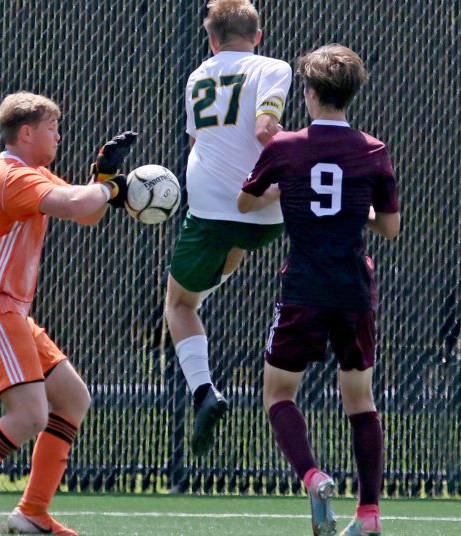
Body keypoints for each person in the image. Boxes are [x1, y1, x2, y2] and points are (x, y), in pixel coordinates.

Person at [0, 92, 137, 535]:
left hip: (10, 308)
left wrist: (105, 177)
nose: (59, 134)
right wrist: (112, 186)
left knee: (72, 398)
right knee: (30, 415)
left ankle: (32, 512)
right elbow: (77, 204)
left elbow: (85, 213)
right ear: (27, 132)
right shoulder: (11, 174)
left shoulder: (32, 172)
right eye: (53, 127)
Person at [237, 44, 400, 536]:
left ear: (308, 94)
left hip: (303, 290)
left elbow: (246, 203)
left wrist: (284, 190)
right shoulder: (373, 150)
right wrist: (360, 211)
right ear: (350, 94)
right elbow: (389, 228)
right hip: (353, 290)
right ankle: (369, 515)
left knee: (278, 393)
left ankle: (313, 474)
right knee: (360, 400)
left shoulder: (285, 147)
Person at [164, 0, 292, 456]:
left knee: (179, 305)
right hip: (266, 214)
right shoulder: (273, 66)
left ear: (212, 39)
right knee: (235, 248)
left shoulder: (197, 75)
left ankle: (204, 392)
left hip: (212, 207)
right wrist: (293, 167)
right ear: (257, 35)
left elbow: (202, 141)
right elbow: (265, 130)